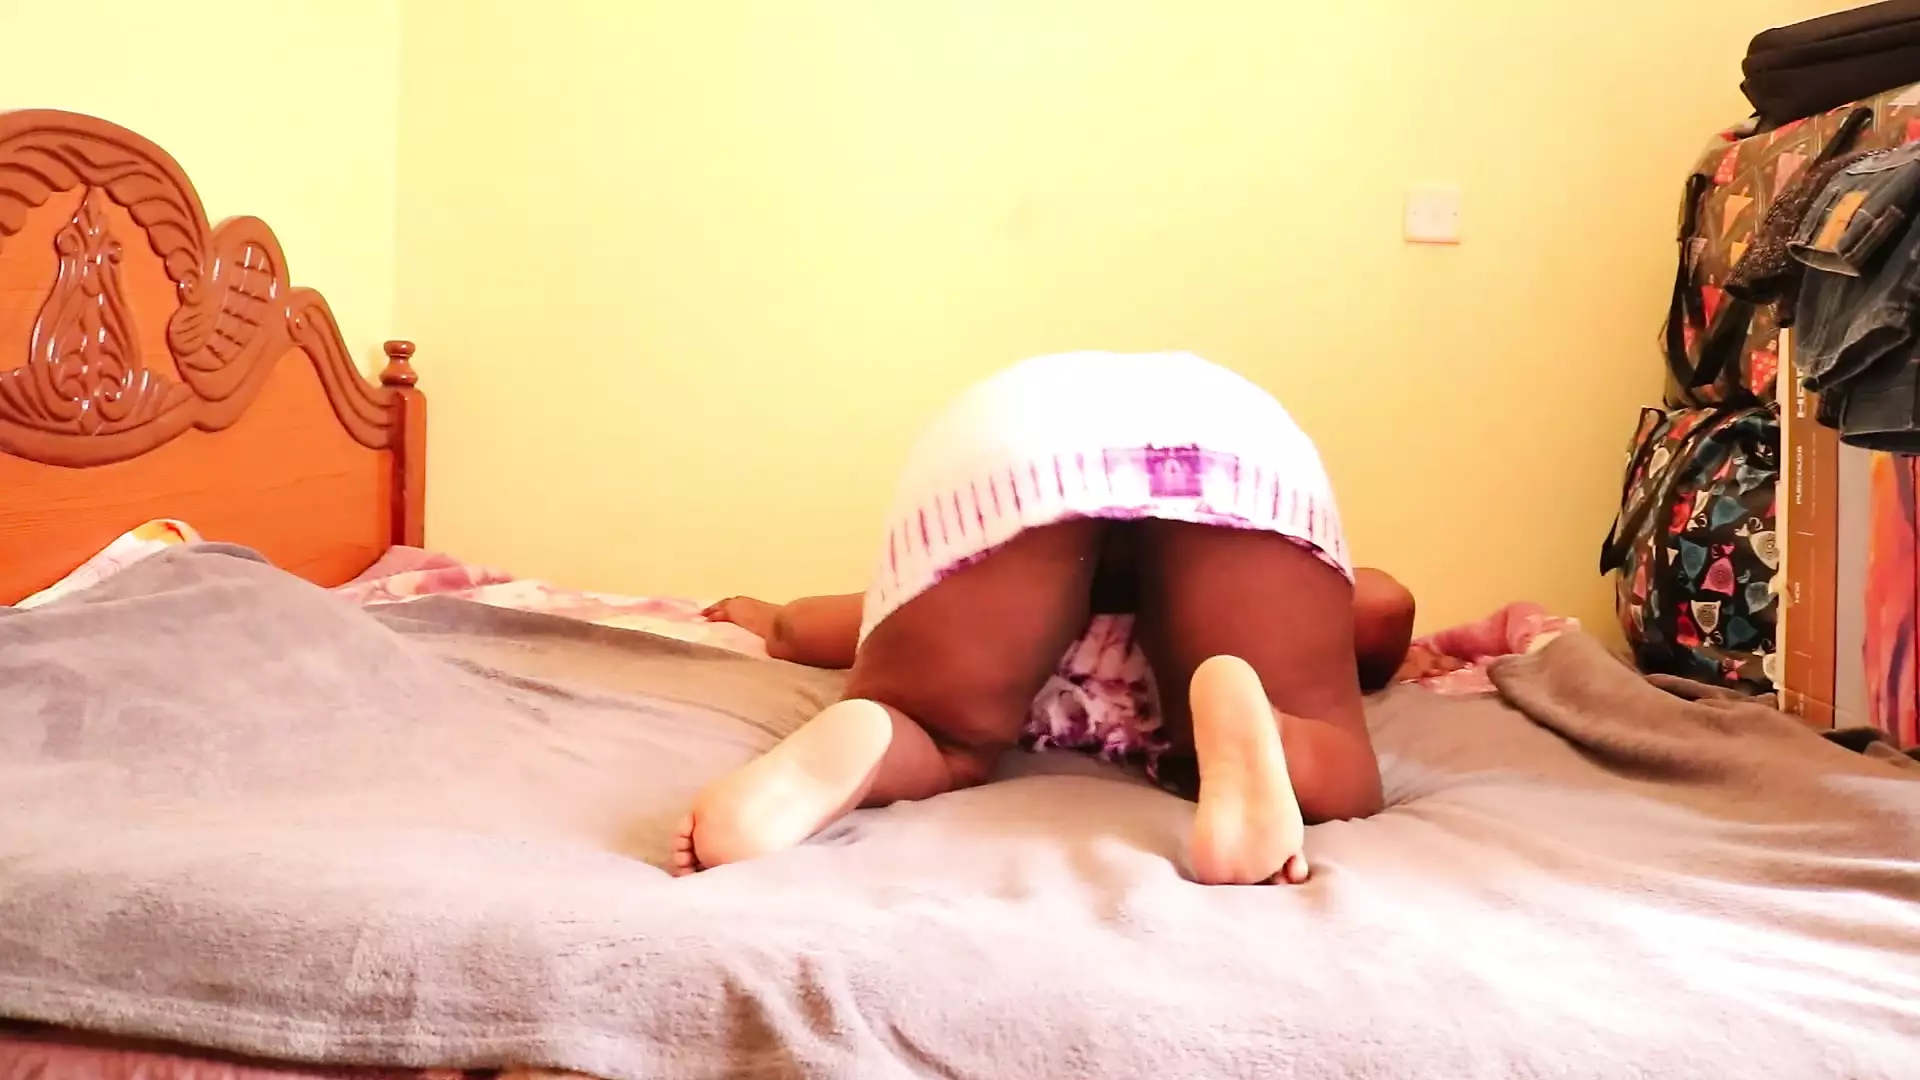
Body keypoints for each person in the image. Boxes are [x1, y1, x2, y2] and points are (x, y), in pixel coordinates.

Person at [672, 351, 1401, 886]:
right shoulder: (1300, 623)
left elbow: (807, 630)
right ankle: (1271, 731)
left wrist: (770, 619)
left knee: (932, 733)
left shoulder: (983, 614)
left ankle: (876, 733)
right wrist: (1370, 648)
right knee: (1337, 759)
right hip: (1228, 433)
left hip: (1023, 430)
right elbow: (1382, 606)